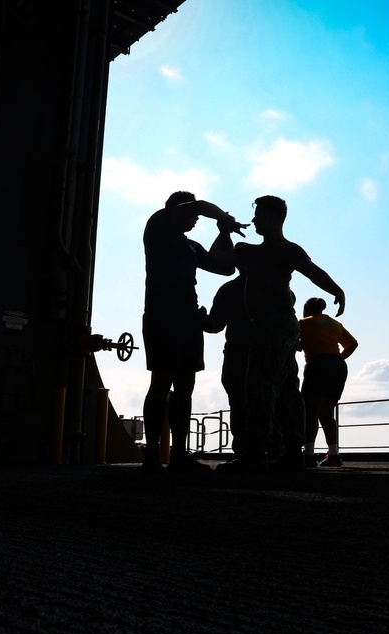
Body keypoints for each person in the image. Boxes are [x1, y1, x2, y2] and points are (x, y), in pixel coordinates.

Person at [217, 195, 347, 474]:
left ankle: (255, 454)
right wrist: (225, 232)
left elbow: (314, 272)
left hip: (273, 325)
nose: (253, 221)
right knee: (288, 390)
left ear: (274, 217)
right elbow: (221, 261)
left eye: (259, 215)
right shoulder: (256, 250)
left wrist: (336, 289)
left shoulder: (281, 251)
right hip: (285, 326)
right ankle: (292, 453)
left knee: (258, 387)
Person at [140, 191, 246, 473]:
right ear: (179, 211)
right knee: (161, 384)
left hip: (189, 318)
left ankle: (178, 456)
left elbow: (224, 268)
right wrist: (224, 216)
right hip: (162, 316)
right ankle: (151, 455)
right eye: (194, 216)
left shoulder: (191, 246)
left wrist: (224, 232)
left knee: (185, 387)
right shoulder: (158, 225)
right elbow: (199, 205)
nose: (197, 220)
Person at [298, 297, 358, 467]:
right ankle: (334, 455)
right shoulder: (334, 324)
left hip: (318, 363)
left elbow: (294, 342)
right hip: (338, 366)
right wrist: (337, 357)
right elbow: (352, 344)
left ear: (307, 308)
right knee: (326, 413)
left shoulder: (304, 322)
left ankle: (308, 455)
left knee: (310, 411)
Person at [203, 271, 251, 457]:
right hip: (267, 351)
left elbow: (215, 324)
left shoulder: (228, 290)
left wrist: (199, 319)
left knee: (238, 403)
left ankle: (242, 452)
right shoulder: (271, 284)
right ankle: (277, 450)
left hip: (237, 353)